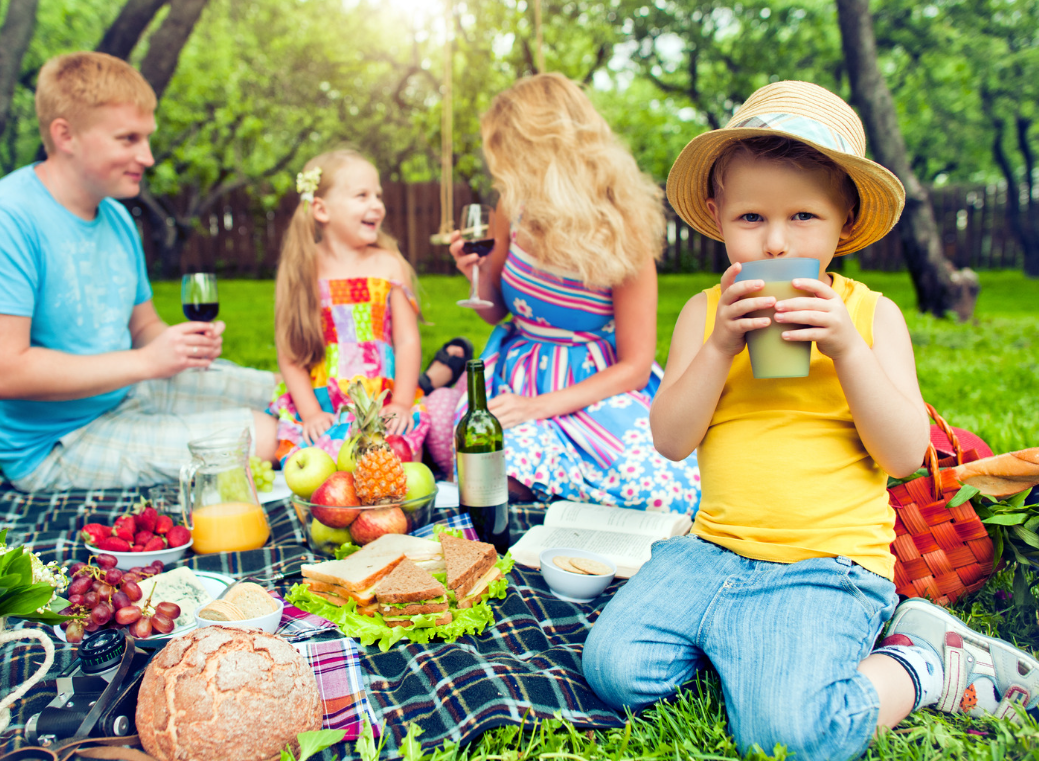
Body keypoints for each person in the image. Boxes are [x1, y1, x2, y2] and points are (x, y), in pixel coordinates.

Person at [583, 81, 1039, 759]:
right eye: (749, 219)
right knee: (612, 669)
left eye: (801, 217)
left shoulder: (869, 316)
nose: (772, 241)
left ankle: (921, 662)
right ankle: (751, 645)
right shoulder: (703, 315)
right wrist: (717, 349)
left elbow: (905, 452)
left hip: (826, 563)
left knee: (788, 736)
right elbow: (670, 440)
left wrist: (846, 349)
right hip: (711, 551)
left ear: (843, 223)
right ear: (716, 214)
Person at [0, 52, 277, 492]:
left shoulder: (116, 219)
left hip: (128, 391)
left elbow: (143, 327)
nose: (148, 156)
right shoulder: (0, 221)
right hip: (56, 443)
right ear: (66, 135)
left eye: (146, 138)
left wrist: (176, 346)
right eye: (128, 139)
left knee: (283, 396)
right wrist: (145, 362)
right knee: (264, 435)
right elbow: (1, 373)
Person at [445, 72, 698, 511]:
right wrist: (477, 272)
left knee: (665, 493)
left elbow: (636, 367)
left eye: (506, 150)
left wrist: (538, 407)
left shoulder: (625, 224)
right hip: (519, 372)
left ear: (539, 146)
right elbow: (496, 311)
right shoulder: (514, 207)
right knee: (496, 476)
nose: (499, 166)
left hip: (597, 384)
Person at [267, 149, 429, 462]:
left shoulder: (389, 265)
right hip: (325, 406)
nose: (377, 206)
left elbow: (407, 341)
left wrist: (401, 404)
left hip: (381, 402)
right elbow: (289, 351)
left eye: (378, 196)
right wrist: (311, 413)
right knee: (323, 468)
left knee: (399, 461)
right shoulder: (302, 269)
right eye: (362, 195)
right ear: (321, 210)